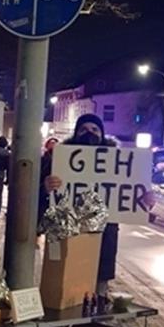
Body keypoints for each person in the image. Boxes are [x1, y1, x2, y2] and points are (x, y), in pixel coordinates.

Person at [44, 113, 119, 300]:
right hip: (68, 233)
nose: (89, 133)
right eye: (84, 129)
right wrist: (46, 187)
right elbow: (39, 197)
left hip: (104, 236)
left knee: (98, 294)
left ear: (102, 134)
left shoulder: (115, 162)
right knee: (67, 291)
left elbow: (126, 195)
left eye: (94, 129)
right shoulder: (59, 160)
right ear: (76, 133)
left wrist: (144, 200)